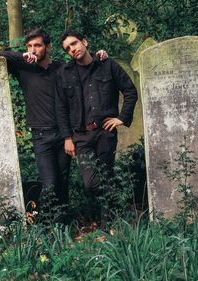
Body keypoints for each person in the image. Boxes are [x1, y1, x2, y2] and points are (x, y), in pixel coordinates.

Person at [0, 28, 108, 218]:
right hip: (41, 136)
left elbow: (83, 65)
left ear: (47, 47)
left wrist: (100, 57)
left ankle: (62, 224)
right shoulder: (23, 68)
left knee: (63, 181)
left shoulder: (61, 69)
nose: (33, 50)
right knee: (50, 184)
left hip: (64, 134)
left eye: (38, 45)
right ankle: (46, 224)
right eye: (30, 46)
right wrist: (22, 56)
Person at [55, 30, 137, 225]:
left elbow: (130, 91)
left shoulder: (107, 65)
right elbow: (61, 108)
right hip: (82, 136)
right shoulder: (64, 74)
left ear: (85, 41)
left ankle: (107, 224)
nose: (72, 49)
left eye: (74, 44)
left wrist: (121, 118)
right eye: (67, 48)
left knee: (106, 175)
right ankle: (119, 198)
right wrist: (67, 137)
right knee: (91, 184)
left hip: (105, 132)